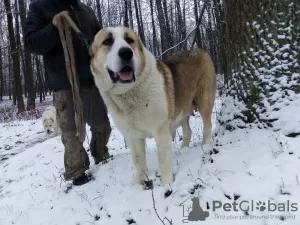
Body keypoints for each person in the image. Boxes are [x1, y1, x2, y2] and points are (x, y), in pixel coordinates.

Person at [24, 0, 112, 186]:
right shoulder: (40, 6)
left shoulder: (85, 10)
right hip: (64, 82)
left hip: (91, 78)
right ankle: (77, 172)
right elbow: (31, 43)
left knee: (102, 124)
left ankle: (102, 157)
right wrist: (54, 27)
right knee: (71, 132)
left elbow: (100, 40)